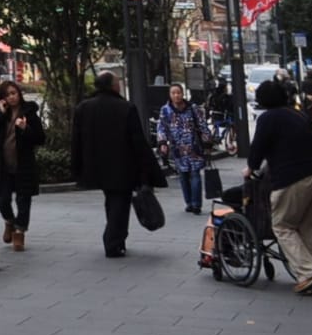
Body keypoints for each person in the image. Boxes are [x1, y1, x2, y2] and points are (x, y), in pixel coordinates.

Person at [247, 80, 312, 293]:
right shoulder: (299, 114)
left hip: (292, 179)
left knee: (282, 226)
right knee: (308, 230)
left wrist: (251, 168)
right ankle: (311, 281)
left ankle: (310, 272)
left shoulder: (268, 118)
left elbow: (257, 148)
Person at [71, 71, 167, 257]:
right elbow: (138, 141)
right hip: (122, 165)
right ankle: (113, 241)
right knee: (119, 203)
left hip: (96, 164)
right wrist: (147, 171)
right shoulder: (125, 108)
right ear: (113, 86)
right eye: (118, 82)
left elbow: (76, 140)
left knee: (112, 201)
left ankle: (117, 239)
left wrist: (77, 166)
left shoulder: (83, 108)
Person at [0, 80, 46, 250]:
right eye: (7, 94)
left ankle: (19, 232)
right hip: (3, 164)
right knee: (2, 199)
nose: (12, 97)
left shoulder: (29, 112)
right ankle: (9, 221)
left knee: (23, 200)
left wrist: (25, 128)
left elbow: (40, 138)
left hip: (23, 164)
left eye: (14, 93)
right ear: (2, 98)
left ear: (19, 94)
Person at [154, 83, 213, 214]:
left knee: (195, 174)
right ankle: (189, 202)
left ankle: (196, 204)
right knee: (183, 176)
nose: (176, 95)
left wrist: (207, 143)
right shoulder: (165, 110)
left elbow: (202, 125)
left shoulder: (193, 108)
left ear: (183, 93)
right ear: (170, 95)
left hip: (194, 147)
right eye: (173, 93)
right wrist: (163, 143)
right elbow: (161, 128)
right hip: (178, 149)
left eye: (178, 92)